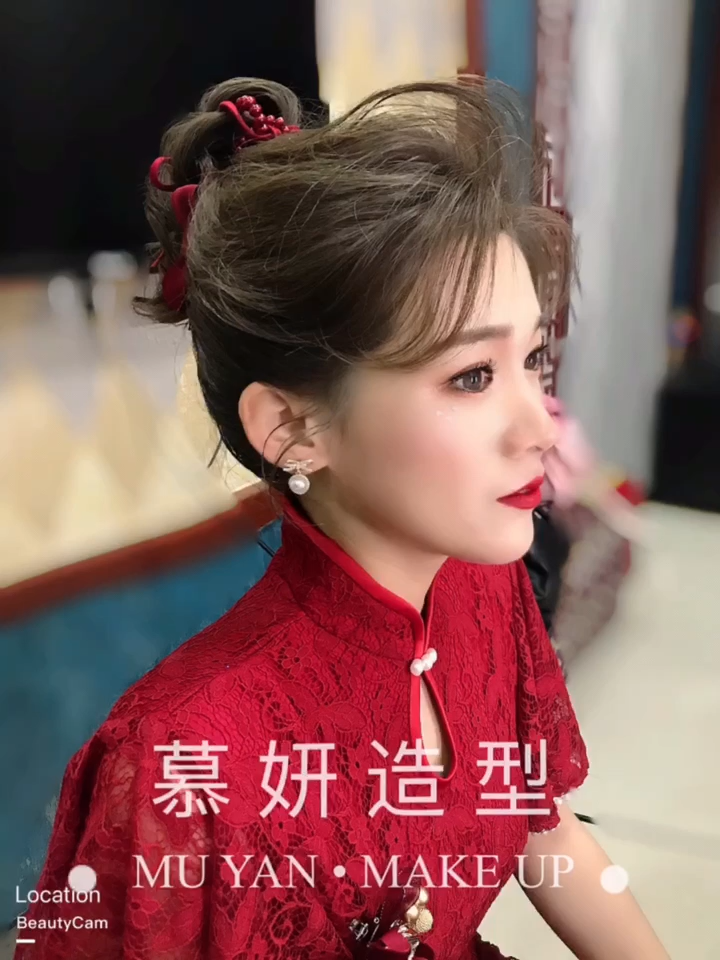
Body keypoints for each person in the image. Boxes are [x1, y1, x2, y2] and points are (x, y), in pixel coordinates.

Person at [20, 78, 669, 960]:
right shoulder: (179, 761)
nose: (542, 427)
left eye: (532, 359)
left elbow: (541, 826)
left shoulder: (486, 589)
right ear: (293, 427)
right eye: (472, 377)